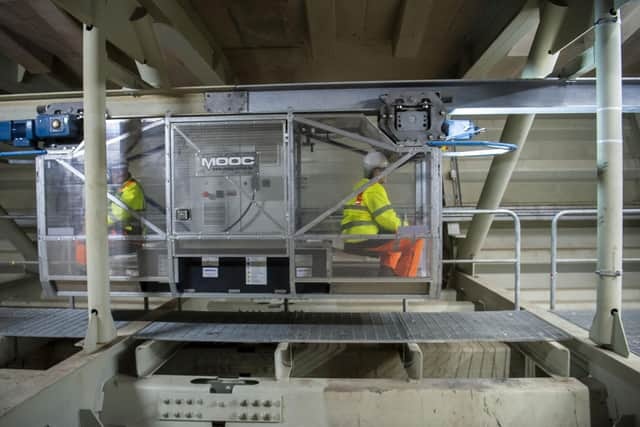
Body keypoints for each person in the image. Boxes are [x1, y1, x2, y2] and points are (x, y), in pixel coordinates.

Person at [340, 151, 424, 277]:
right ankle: (405, 280)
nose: (387, 175)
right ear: (377, 172)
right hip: (365, 239)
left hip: (352, 239)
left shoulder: (359, 187)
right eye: (385, 171)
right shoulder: (374, 188)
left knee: (395, 236)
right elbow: (386, 219)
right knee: (418, 236)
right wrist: (406, 226)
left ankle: (386, 273)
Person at [108, 161, 145, 236]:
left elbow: (120, 212)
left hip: (130, 235)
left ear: (127, 170)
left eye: (122, 170)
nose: (120, 174)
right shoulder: (114, 188)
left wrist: (98, 221)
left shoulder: (132, 187)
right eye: (116, 171)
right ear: (110, 173)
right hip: (118, 233)